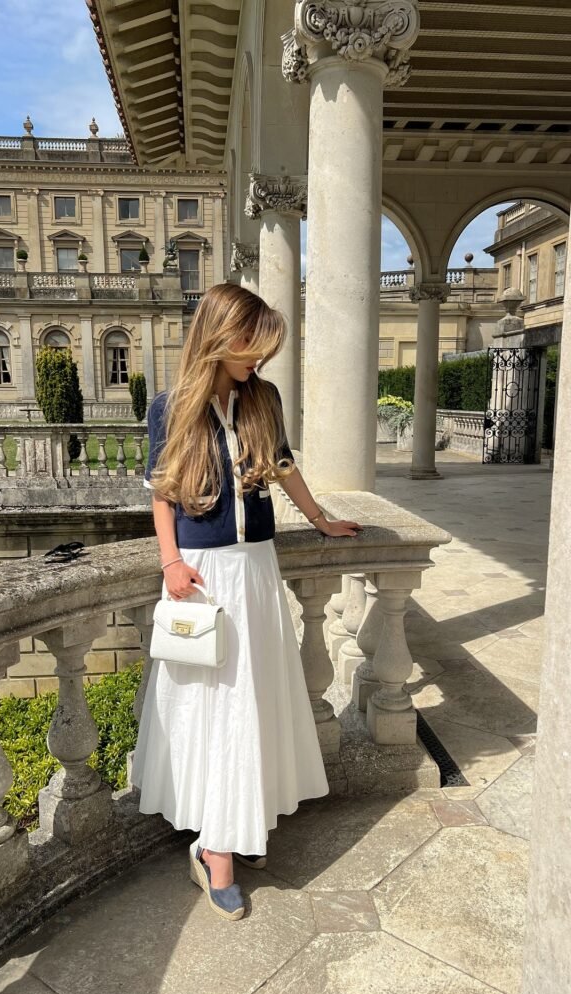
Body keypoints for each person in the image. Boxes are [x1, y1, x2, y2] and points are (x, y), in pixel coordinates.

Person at [130, 282, 362, 921]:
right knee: (214, 708)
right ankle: (217, 851)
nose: (259, 357)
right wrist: (170, 561)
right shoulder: (170, 406)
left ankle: (234, 826)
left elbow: (282, 467)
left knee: (250, 702)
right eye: (250, 345)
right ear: (220, 336)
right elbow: (163, 491)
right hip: (203, 574)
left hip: (257, 568)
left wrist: (320, 519)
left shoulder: (264, 398)